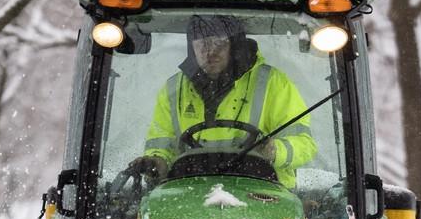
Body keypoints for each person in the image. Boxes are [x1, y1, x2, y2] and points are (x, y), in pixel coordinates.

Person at [125, 15, 316, 187]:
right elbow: (162, 144)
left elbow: (305, 145)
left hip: (267, 195)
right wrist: (157, 161)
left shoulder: (273, 84)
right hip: (188, 195)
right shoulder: (173, 90)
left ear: (234, 45)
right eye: (202, 43)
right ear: (191, 47)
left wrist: (275, 151)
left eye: (219, 42)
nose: (210, 51)